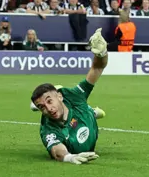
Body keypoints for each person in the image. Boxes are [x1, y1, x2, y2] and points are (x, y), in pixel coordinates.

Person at [31, 28, 107, 164]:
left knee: (83, 109)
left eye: (49, 101)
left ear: (60, 97)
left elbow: (97, 68)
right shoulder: (48, 129)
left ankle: (91, 112)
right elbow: (56, 150)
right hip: (77, 119)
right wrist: (69, 157)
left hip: (80, 111)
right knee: (79, 114)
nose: (48, 108)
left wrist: (101, 54)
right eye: (42, 107)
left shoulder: (74, 95)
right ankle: (91, 111)